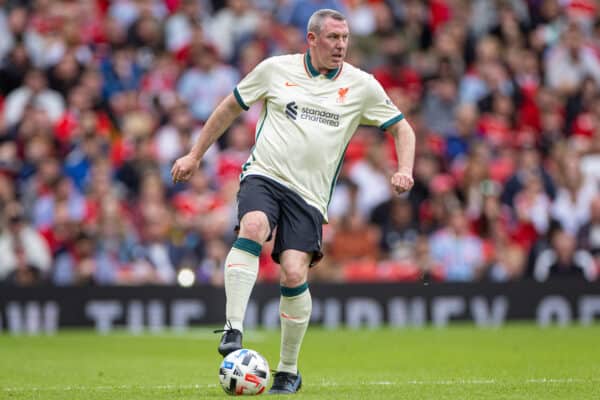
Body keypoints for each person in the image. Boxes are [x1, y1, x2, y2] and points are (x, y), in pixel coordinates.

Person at [171, 9, 415, 394]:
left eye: (345, 38)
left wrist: (405, 169)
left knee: (294, 274)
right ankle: (233, 327)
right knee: (252, 226)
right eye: (333, 38)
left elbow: (402, 128)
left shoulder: (362, 85)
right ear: (312, 39)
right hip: (265, 175)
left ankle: (287, 369)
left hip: (310, 196)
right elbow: (229, 107)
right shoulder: (274, 69)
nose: (341, 46)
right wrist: (194, 154)